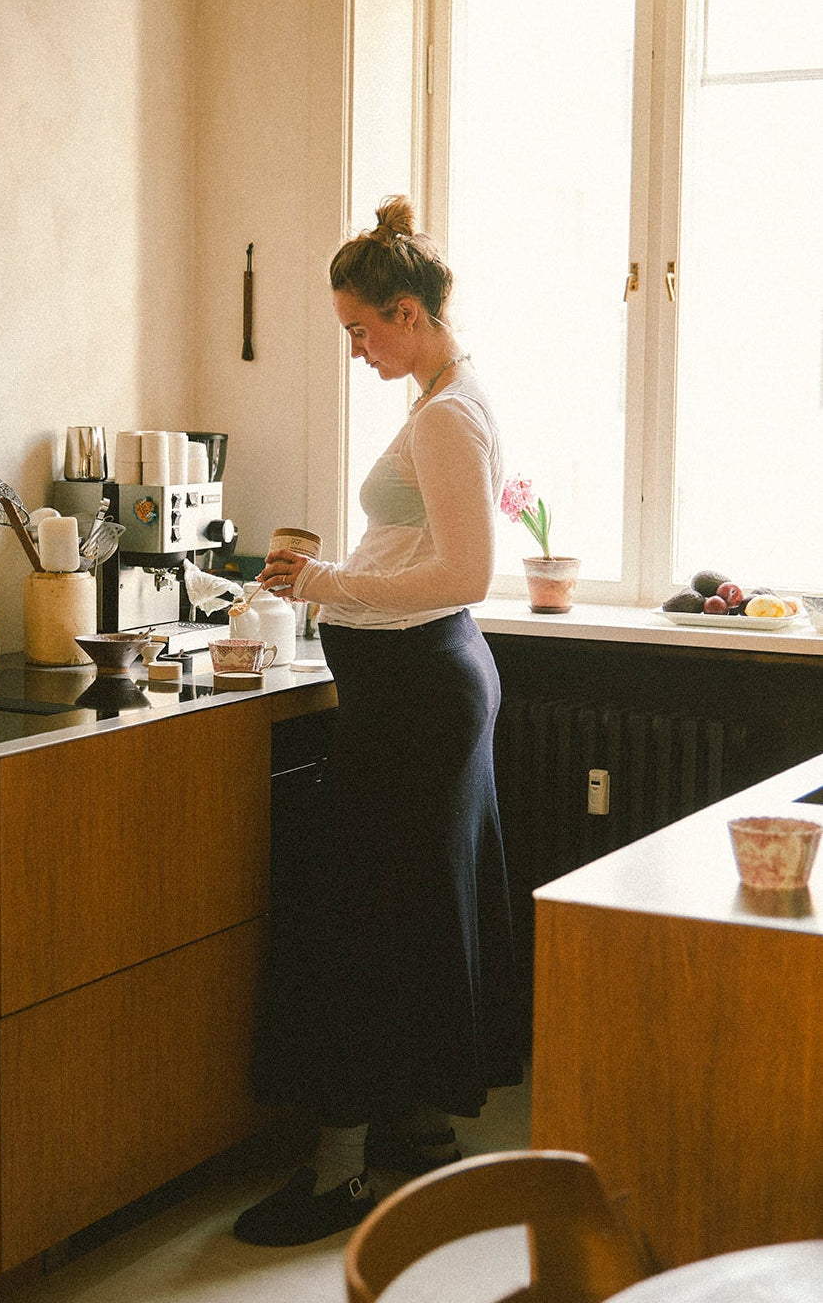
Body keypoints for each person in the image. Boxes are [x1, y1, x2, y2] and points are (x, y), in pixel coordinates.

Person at [232, 196, 523, 1248]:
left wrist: (320, 583)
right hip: (424, 686)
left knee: (361, 918)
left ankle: (337, 1173)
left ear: (407, 312)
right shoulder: (447, 394)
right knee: (414, 908)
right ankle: (417, 1125)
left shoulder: (444, 415)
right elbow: (418, 551)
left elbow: (463, 573)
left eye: (361, 330)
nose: (354, 351)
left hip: (416, 694)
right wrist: (334, 582)